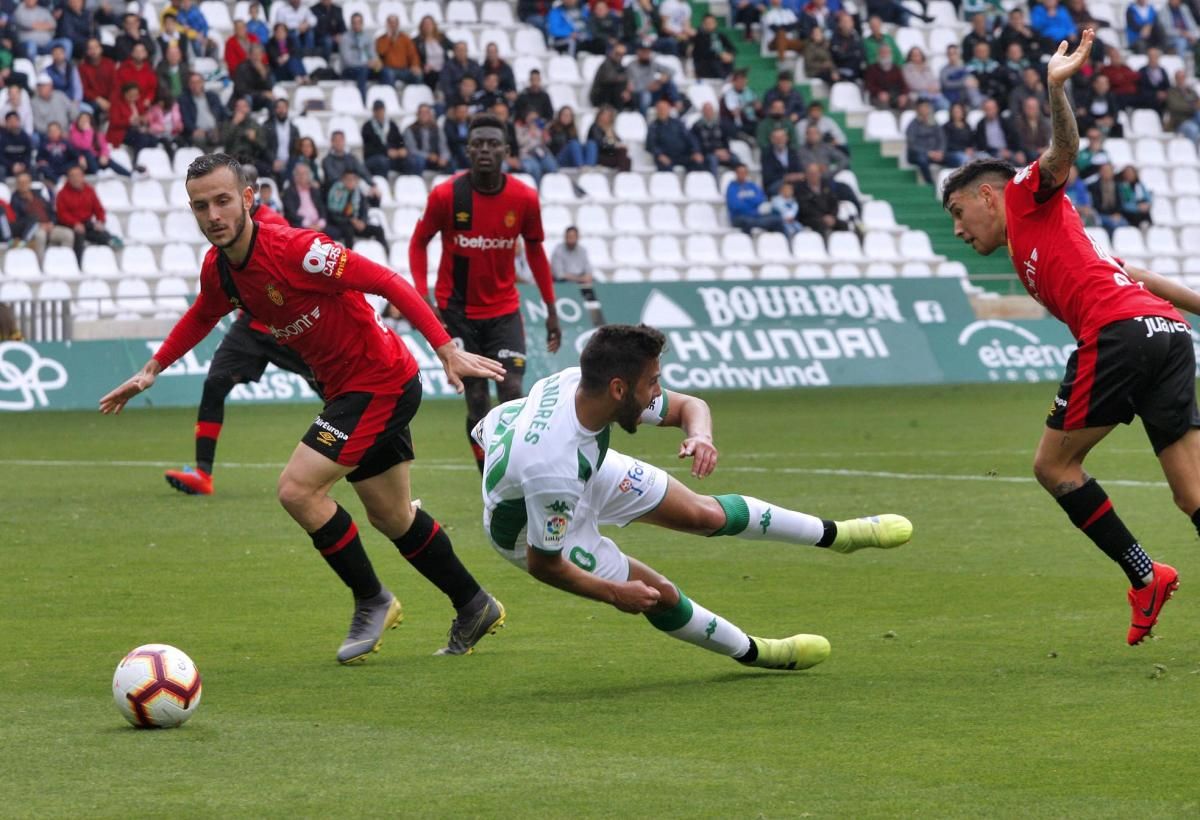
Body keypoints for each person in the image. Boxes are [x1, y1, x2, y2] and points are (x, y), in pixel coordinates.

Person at [102, 154, 509, 663]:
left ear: (248, 199)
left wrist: (444, 347)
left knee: (297, 490)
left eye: (223, 201)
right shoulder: (222, 270)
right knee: (392, 516)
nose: (213, 215)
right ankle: (473, 603)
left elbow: (387, 281)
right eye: (201, 206)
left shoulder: (297, 250)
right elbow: (203, 313)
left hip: (378, 382)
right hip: (350, 390)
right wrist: (152, 368)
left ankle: (372, 600)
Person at [473, 324, 912, 672]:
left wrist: (700, 436)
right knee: (656, 593)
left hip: (581, 471)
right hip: (529, 527)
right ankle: (755, 651)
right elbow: (543, 564)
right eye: (653, 382)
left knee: (704, 514)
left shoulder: (584, 386)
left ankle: (837, 535)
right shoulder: (553, 468)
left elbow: (689, 407)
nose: (659, 392)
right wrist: (612, 593)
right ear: (620, 390)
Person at [942, 29, 1189, 646]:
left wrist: (1056, 87)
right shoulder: (1061, 235)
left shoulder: (1026, 195)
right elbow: (1136, 277)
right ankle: (1147, 577)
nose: (956, 229)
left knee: (1053, 465)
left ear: (985, 196)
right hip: (1166, 330)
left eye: (957, 214)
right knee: (1193, 495)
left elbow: (1062, 151)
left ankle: (1143, 576)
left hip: (1119, 333)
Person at [409, 113, 561, 473]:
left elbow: (536, 250)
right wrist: (422, 298)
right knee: (477, 401)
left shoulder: (523, 198)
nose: (485, 150)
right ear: (468, 149)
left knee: (512, 391)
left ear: (506, 150)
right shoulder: (447, 195)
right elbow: (418, 243)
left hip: (504, 311)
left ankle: (519, 470)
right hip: (457, 312)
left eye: (493, 143)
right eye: (478, 144)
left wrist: (551, 308)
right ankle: (489, 479)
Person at [54, 164, 119, 261]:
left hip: (86, 223)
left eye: (78, 176)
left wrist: (100, 221)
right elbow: (62, 214)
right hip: (69, 225)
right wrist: (75, 223)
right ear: (68, 178)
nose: (76, 179)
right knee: (79, 236)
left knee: (104, 236)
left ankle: (106, 260)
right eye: (73, 176)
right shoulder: (62, 194)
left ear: (82, 177)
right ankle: (78, 264)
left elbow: (99, 209)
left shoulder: (89, 190)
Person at [646, 99, 704, 173]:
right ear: (657, 111)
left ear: (669, 110)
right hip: (665, 156)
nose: (662, 111)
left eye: (664, 109)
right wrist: (659, 155)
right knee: (665, 168)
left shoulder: (678, 123)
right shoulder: (653, 127)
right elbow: (651, 145)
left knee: (698, 164)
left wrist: (696, 151)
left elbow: (690, 138)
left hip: (682, 155)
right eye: (660, 109)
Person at [726, 163, 785, 234]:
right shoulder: (732, 187)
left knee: (777, 219)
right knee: (748, 222)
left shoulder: (752, 186)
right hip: (739, 217)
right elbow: (735, 206)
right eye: (740, 172)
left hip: (755, 216)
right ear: (736, 173)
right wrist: (752, 203)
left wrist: (746, 200)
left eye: (744, 172)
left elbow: (761, 199)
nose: (742, 174)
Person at [906, 98, 949, 184]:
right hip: (919, 154)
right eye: (923, 107)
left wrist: (940, 151)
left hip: (935, 154)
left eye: (927, 107)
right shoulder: (913, 125)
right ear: (918, 109)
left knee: (954, 158)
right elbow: (912, 145)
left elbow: (942, 139)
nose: (925, 110)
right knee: (922, 160)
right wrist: (928, 153)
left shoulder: (934, 122)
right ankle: (930, 183)